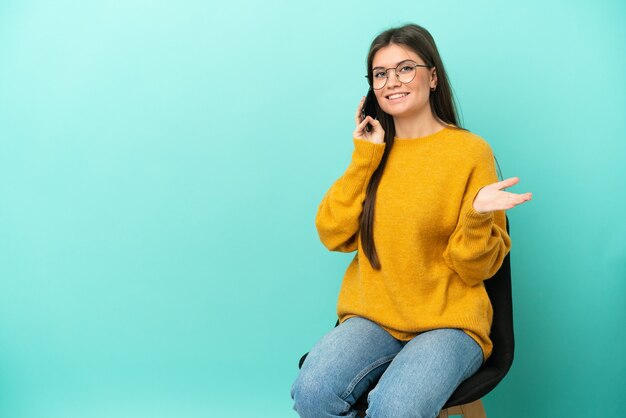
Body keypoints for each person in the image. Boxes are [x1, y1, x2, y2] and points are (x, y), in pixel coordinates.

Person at [290, 23, 532, 418]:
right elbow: (333, 234)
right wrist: (363, 159)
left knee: (395, 408)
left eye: (405, 68)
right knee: (312, 392)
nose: (391, 82)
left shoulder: (469, 152)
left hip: (449, 324)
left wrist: (474, 218)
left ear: (433, 76)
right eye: (380, 74)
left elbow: (476, 270)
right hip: (374, 318)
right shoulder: (374, 153)